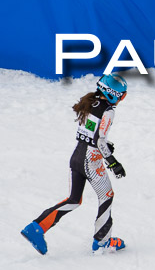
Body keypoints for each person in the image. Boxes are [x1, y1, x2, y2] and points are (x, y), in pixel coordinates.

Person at [21, 75, 128, 255]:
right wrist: (113, 163)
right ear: (113, 94)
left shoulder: (91, 103)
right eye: (121, 95)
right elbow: (100, 141)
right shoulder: (108, 110)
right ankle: (102, 241)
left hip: (77, 157)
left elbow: (89, 133)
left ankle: (36, 227)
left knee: (74, 200)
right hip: (91, 161)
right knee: (107, 196)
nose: (120, 99)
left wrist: (103, 146)